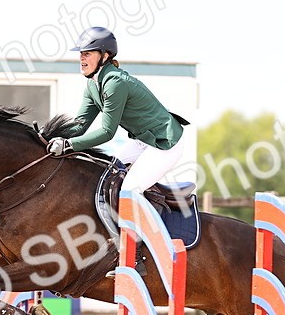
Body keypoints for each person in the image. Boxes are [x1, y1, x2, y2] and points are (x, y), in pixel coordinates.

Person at [47, 27, 187, 195]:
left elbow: (107, 132)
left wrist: (70, 145)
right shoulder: (92, 85)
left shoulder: (115, 82)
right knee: (107, 176)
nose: (82, 57)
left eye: (88, 53)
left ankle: (150, 222)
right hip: (143, 140)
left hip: (165, 143)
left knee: (128, 191)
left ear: (105, 56)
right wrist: (48, 137)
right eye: (81, 53)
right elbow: (79, 126)